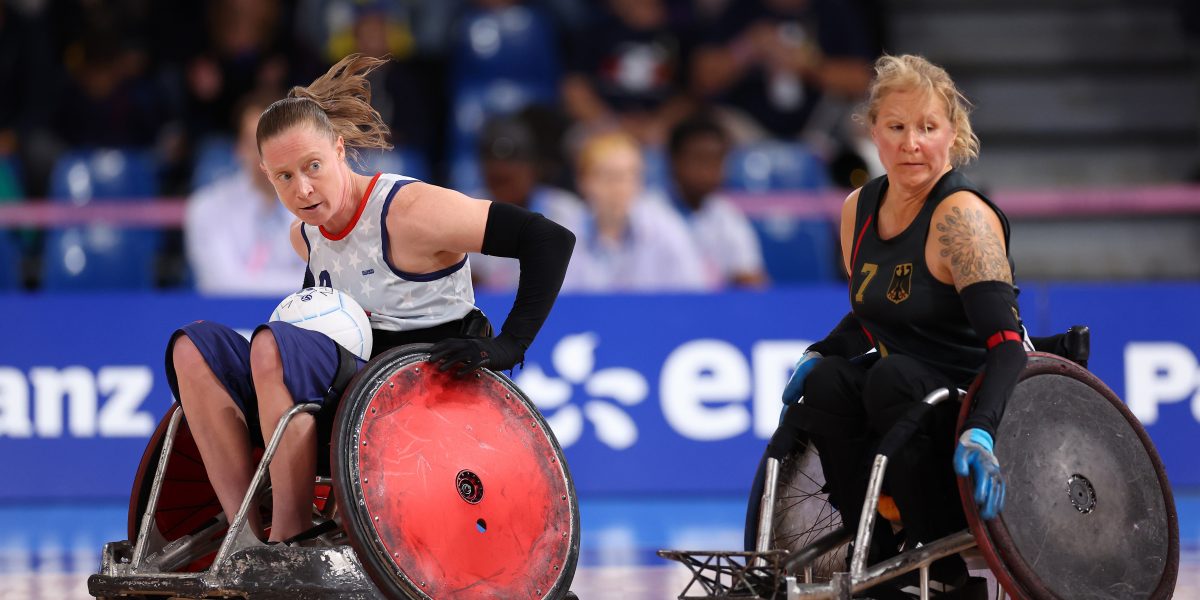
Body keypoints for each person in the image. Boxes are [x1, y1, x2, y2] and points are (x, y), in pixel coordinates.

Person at [165, 54, 575, 544]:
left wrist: (512, 344)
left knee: (274, 346)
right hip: (349, 394)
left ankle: (291, 538)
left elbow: (549, 239)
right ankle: (246, 539)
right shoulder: (305, 236)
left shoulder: (411, 211)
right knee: (194, 347)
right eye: (284, 177)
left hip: (420, 388)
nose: (303, 188)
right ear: (265, 174)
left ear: (340, 149)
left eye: (312, 166)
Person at [777, 54, 1021, 598]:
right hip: (904, 403)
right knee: (829, 383)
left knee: (891, 380)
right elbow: (876, 312)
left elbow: (1006, 346)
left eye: (928, 128)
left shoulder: (962, 217)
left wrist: (982, 427)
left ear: (952, 135)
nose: (913, 143)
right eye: (897, 127)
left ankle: (946, 572)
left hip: (966, 401)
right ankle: (879, 553)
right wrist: (819, 353)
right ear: (874, 132)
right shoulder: (857, 209)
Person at [185, 92, 307, 296]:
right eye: (255, 144)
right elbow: (220, 285)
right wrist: (297, 284)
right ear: (239, 148)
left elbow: (325, 282)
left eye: (278, 144)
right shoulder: (206, 207)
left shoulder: (315, 204)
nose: (268, 157)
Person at [562, 130, 708, 292]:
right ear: (584, 181)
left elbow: (691, 295)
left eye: (631, 176)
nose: (621, 188)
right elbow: (557, 304)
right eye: (610, 177)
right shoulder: (566, 233)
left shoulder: (666, 228)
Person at [470, 116, 587, 290]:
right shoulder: (467, 208)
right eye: (496, 178)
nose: (504, 187)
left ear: (533, 169)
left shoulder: (565, 211)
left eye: (511, 177)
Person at [665, 113, 767, 288]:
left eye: (716, 161)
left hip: (714, 311)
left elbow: (751, 279)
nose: (708, 171)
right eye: (700, 160)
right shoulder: (650, 214)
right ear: (674, 161)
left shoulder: (726, 215)